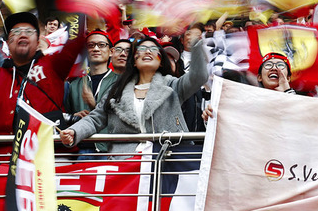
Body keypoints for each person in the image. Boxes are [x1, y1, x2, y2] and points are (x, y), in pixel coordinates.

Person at [59, 35, 208, 157]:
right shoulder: (117, 89)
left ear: (161, 62)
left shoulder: (173, 86)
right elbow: (95, 118)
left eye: (153, 49)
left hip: (166, 161)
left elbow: (199, 76)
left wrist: (196, 45)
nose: (147, 52)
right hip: (127, 165)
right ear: (135, 61)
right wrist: (74, 131)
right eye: (142, 49)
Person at [0, 12, 85, 135]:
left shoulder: (53, 65)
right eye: (16, 31)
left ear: (37, 42)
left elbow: (75, 43)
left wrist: (80, 7)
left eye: (29, 31)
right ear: (8, 44)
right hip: (2, 159)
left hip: (47, 156)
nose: (22, 34)